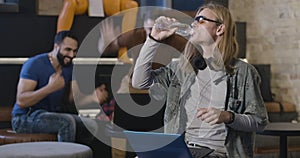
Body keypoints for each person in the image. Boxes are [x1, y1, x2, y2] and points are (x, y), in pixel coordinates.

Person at [132, 2, 268, 158]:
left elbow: (259, 122)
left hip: (219, 152)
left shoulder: (243, 72)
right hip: (183, 148)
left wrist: (228, 116)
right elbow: (139, 82)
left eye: (201, 20)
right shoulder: (181, 68)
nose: (194, 24)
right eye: (194, 19)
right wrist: (153, 39)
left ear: (220, 29)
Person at [11, 31, 108, 143]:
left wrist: (92, 97)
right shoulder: (34, 64)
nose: (71, 55)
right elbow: (22, 101)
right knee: (66, 122)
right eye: (67, 50)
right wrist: (50, 88)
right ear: (56, 47)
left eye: (74, 51)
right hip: (25, 118)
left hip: (52, 116)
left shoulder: (70, 67)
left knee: (90, 125)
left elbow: (73, 99)